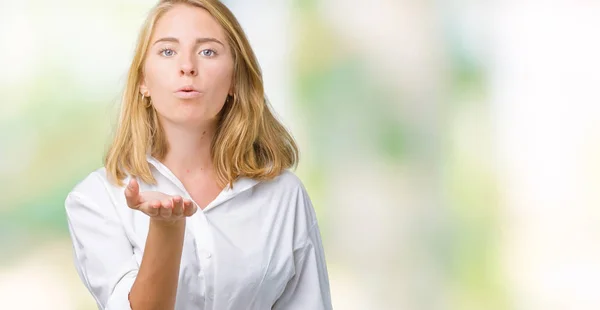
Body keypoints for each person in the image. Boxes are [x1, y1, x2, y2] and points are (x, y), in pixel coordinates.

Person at [64, 0, 332, 309]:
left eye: (208, 51)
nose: (187, 66)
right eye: (167, 51)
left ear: (234, 80)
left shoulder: (284, 196)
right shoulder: (96, 200)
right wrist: (167, 229)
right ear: (142, 81)